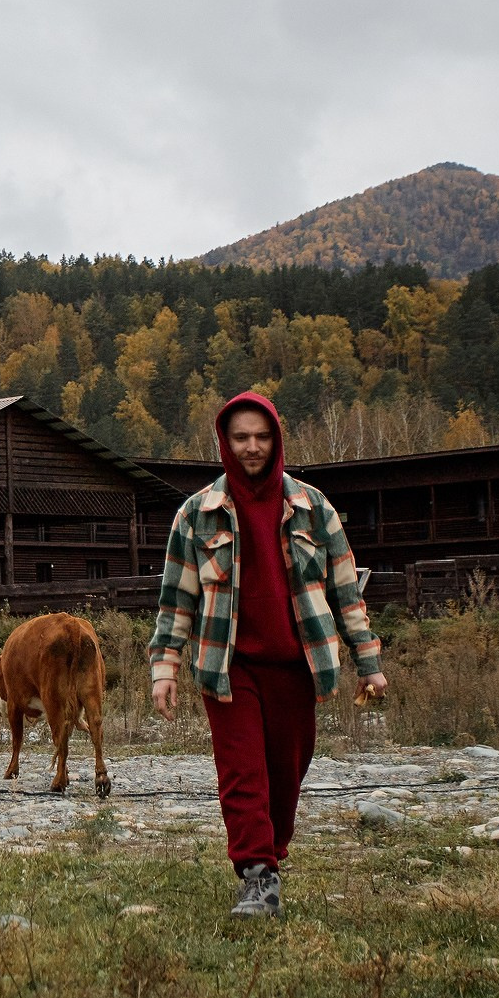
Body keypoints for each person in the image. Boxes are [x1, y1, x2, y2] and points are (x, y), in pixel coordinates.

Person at [148, 392, 387, 917]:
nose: (251, 447)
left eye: (261, 436)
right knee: (243, 773)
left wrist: (368, 662)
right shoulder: (196, 514)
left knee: (285, 773)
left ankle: (272, 854)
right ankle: (257, 875)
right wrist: (165, 668)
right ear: (224, 443)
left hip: (298, 665)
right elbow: (176, 599)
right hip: (228, 666)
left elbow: (346, 591)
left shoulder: (314, 508)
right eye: (241, 438)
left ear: (276, 440)